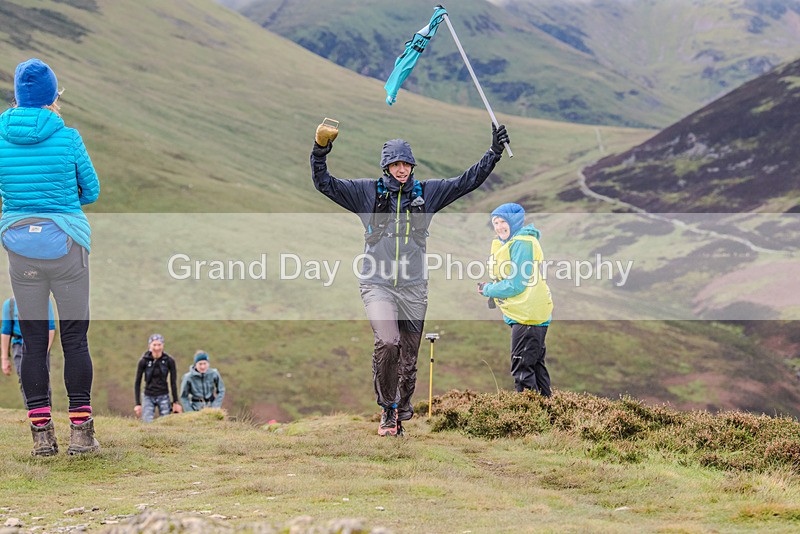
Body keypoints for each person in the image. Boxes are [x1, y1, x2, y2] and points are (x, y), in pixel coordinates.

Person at [310, 121, 511, 436]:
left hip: (414, 288)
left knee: (408, 361)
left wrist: (494, 152)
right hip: (376, 284)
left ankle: (401, 410)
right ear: (386, 167)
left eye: (406, 164)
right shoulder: (366, 193)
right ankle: (387, 410)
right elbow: (324, 183)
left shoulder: (427, 193)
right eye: (395, 164)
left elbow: (467, 181)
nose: (402, 169)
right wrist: (321, 148)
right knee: (387, 343)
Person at [0, 58, 100, 456]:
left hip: (20, 247)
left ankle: (42, 437)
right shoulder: (68, 137)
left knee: (34, 340)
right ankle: (81, 433)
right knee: (75, 339)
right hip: (66, 245)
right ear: (52, 98)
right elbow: (90, 191)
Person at [479, 203, 553, 396]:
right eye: (495, 222)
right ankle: (548, 413)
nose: (499, 226)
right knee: (535, 366)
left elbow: (516, 284)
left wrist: (489, 289)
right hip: (530, 313)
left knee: (522, 368)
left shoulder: (522, 243)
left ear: (514, 221)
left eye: (503, 221)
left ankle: (527, 417)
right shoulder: (515, 242)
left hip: (527, 315)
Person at [1, 296, 56, 405]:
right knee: (24, 378)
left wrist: (44, 352)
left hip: (40, 345)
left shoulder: (44, 301)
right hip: (19, 346)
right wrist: (4, 359)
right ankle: (32, 408)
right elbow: (6, 331)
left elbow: (50, 327)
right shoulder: (10, 305)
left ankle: (46, 409)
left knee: (42, 379)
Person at [134, 334, 183, 422]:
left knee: (166, 422)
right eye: (154, 345)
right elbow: (137, 382)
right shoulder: (143, 361)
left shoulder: (169, 361)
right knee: (146, 422)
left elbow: (173, 382)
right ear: (150, 346)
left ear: (163, 345)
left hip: (163, 395)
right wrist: (138, 403)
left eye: (159, 345)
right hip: (148, 396)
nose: (157, 348)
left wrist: (175, 402)